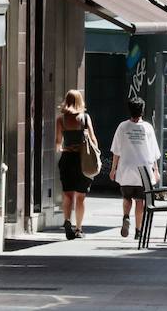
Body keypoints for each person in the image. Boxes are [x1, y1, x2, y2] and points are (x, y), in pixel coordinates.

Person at [109, 97, 161, 240]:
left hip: (126, 170)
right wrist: (156, 171)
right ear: (142, 111)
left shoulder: (122, 127)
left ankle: (126, 216)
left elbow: (116, 151)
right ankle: (138, 231)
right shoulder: (148, 128)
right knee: (140, 201)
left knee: (127, 198)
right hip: (143, 171)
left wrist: (113, 169)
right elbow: (153, 152)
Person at [55, 89, 98, 240]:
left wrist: (64, 147)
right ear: (80, 101)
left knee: (67, 194)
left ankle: (67, 221)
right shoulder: (85, 118)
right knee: (80, 197)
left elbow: (58, 142)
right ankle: (78, 229)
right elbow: (93, 139)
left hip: (67, 158)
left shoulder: (61, 120)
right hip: (82, 160)